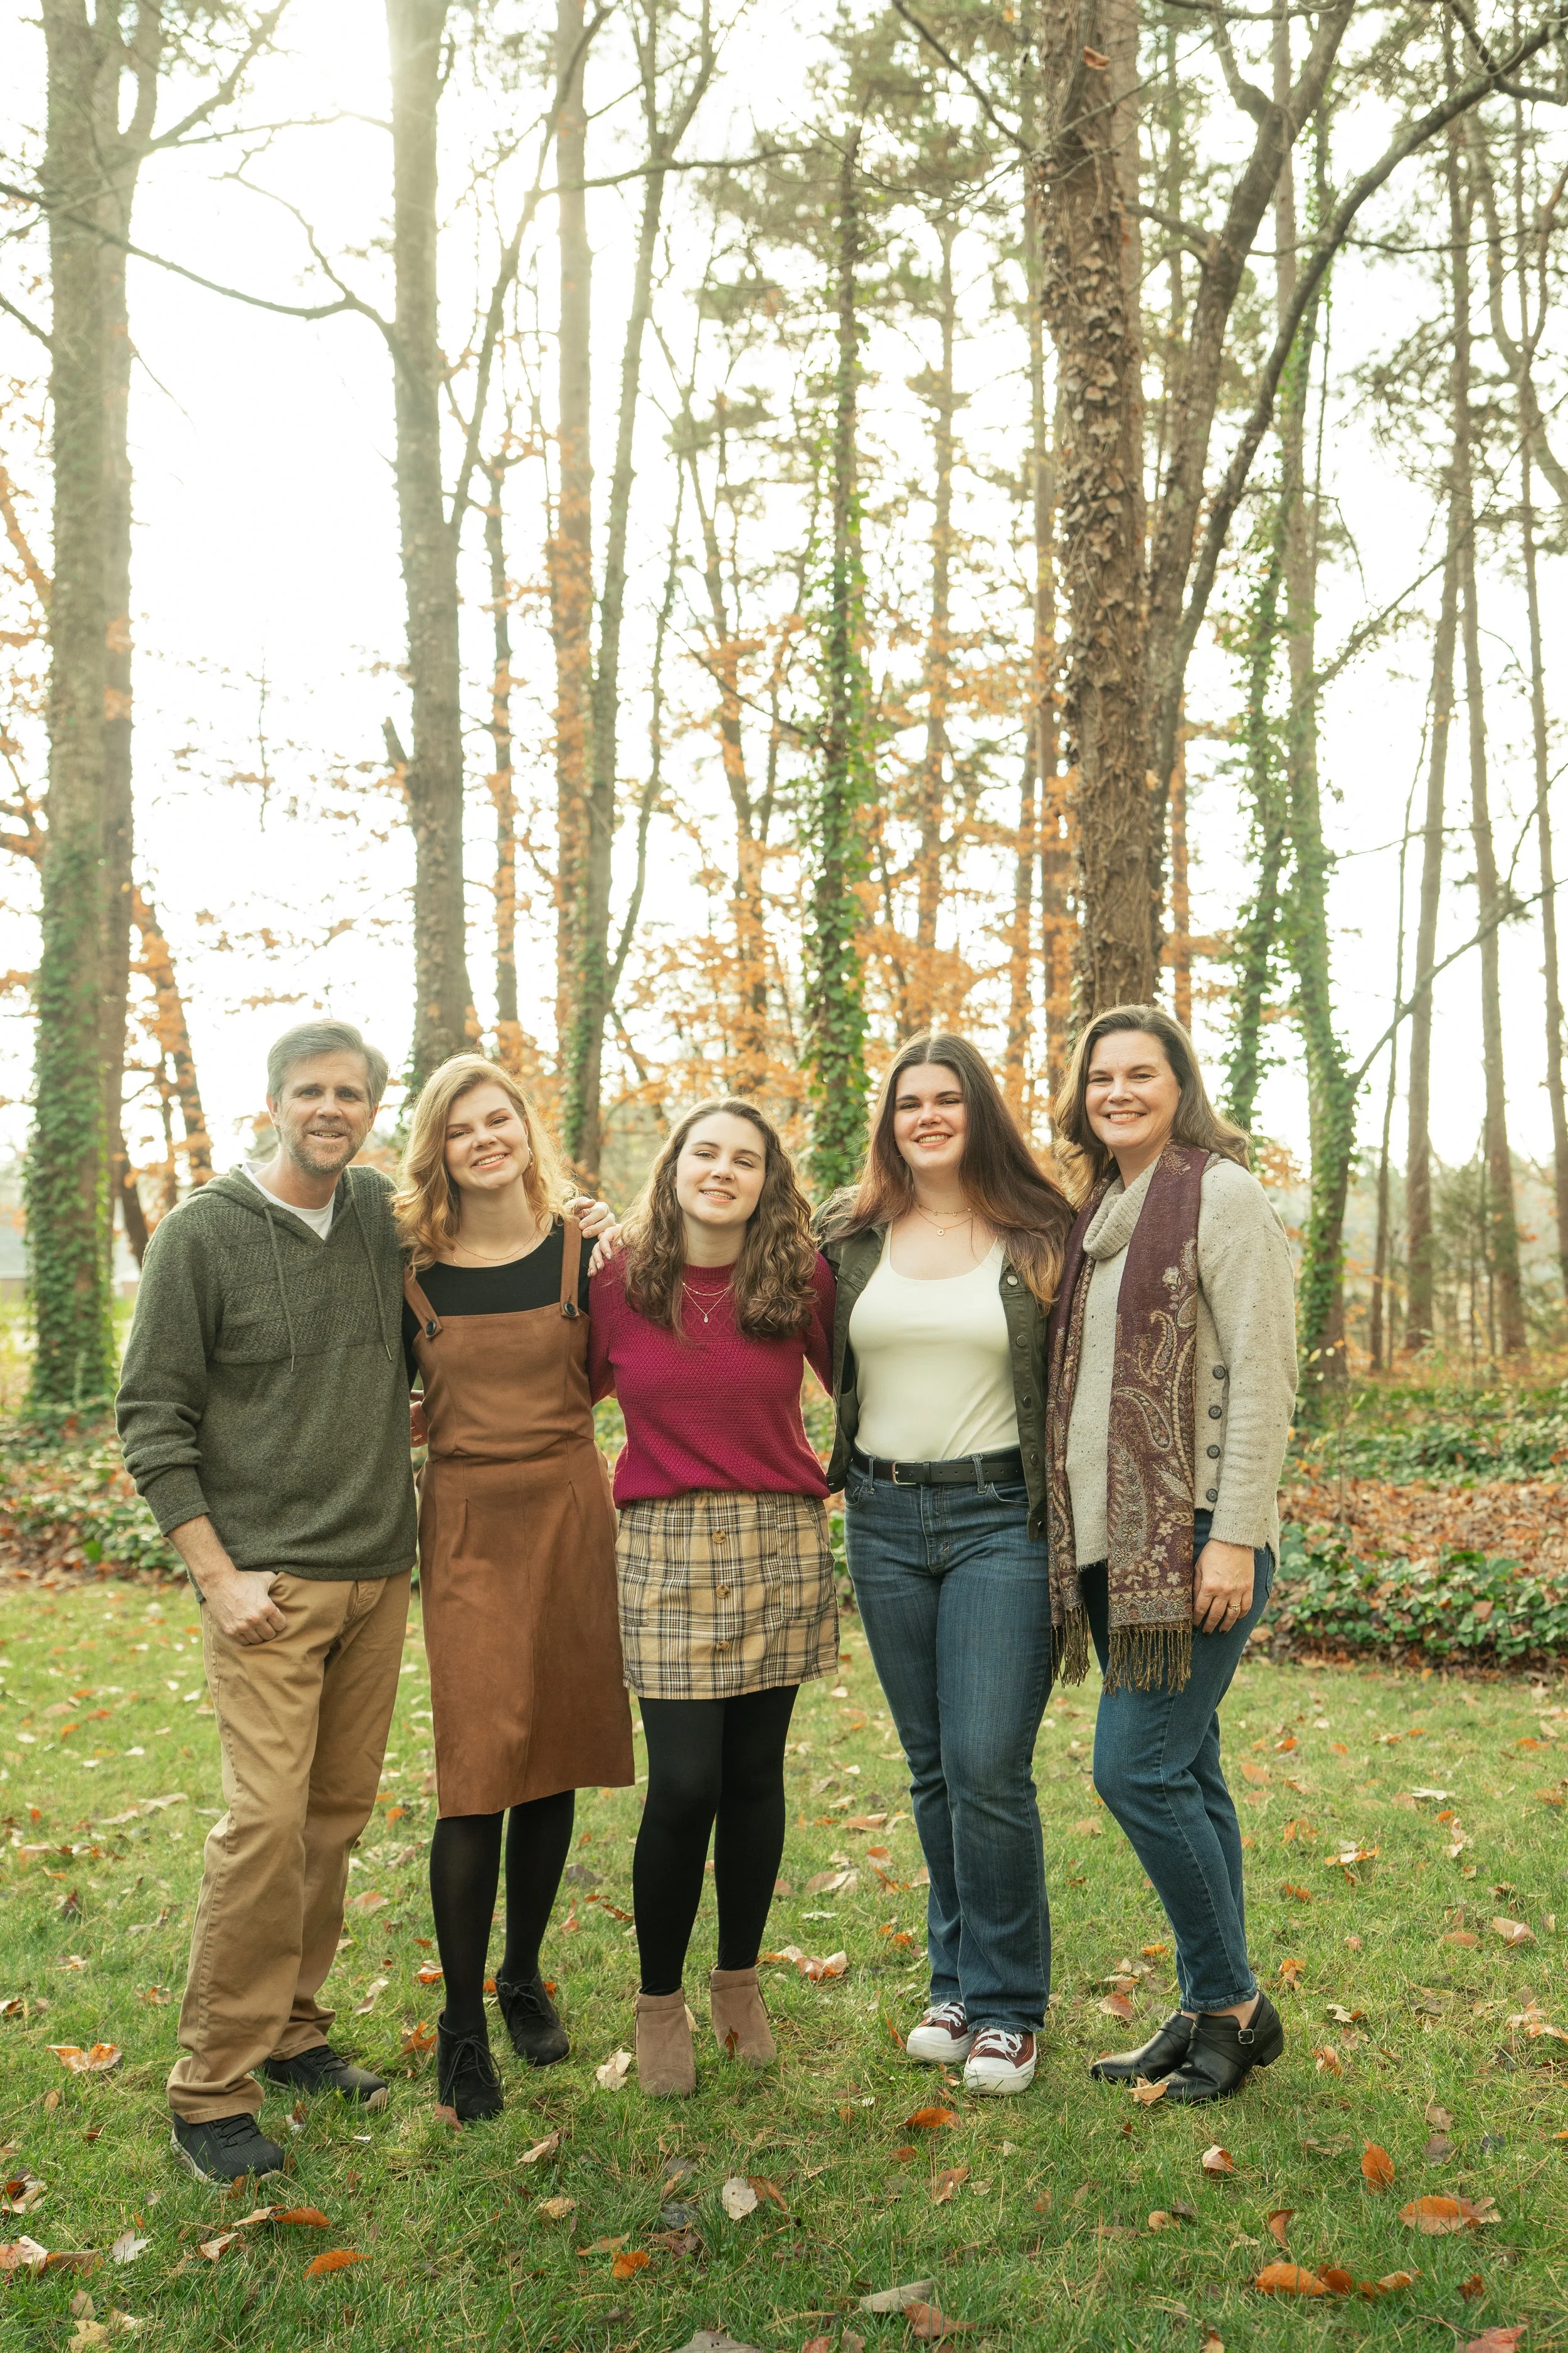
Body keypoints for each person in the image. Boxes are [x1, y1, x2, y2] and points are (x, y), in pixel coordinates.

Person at [116, 1020, 416, 2183]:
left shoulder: (385, 1218)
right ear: (276, 1101)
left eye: (350, 1092)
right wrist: (216, 1571)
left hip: (380, 1573)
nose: (329, 1107)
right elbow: (151, 1418)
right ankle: (210, 2088)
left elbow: (485, 1266)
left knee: (332, 1819)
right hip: (270, 1589)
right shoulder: (203, 1234)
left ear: (370, 1109)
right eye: (310, 1090)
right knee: (261, 1827)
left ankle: (294, 2029)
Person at [1047, 1005, 1297, 2105]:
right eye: (1101, 1077)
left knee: (1134, 1766)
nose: (1118, 1093)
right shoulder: (1097, 1210)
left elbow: (1263, 1373)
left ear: (1177, 1082)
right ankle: (1205, 2010)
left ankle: (1235, 2002)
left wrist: (1234, 1534)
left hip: (1195, 1537)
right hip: (1117, 1551)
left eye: (1140, 1074)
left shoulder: (1221, 1193)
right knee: (1187, 1768)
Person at [818, 1033, 1072, 2098]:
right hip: (879, 1516)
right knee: (930, 1766)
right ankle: (955, 1981)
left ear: (979, 1112)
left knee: (986, 1765)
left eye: (946, 1099)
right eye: (908, 1101)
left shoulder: (1042, 1235)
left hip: (997, 1520)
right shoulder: (851, 1235)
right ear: (890, 1118)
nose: (926, 1115)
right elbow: (723, 1265)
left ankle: (1011, 2006)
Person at [396, 1056, 633, 2121]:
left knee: (556, 1758)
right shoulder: (408, 1268)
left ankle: (523, 1973)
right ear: (436, 1148)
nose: (485, 1139)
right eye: (461, 1128)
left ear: (526, 1129)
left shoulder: (587, 1249)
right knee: (478, 1768)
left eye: (500, 1119)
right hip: (465, 1527)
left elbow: (646, 1364)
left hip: (573, 1514)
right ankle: (458, 2023)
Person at [588, 1099, 837, 2097]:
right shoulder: (617, 1276)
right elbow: (558, 1396)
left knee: (753, 1777)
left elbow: (863, 1380)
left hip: (779, 1537)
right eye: (706, 1153)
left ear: (766, 1179)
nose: (722, 1170)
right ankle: (659, 2002)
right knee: (684, 1783)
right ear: (675, 1165)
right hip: (666, 1545)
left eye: (745, 1158)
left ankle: (738, 1982)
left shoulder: (798, 1274)